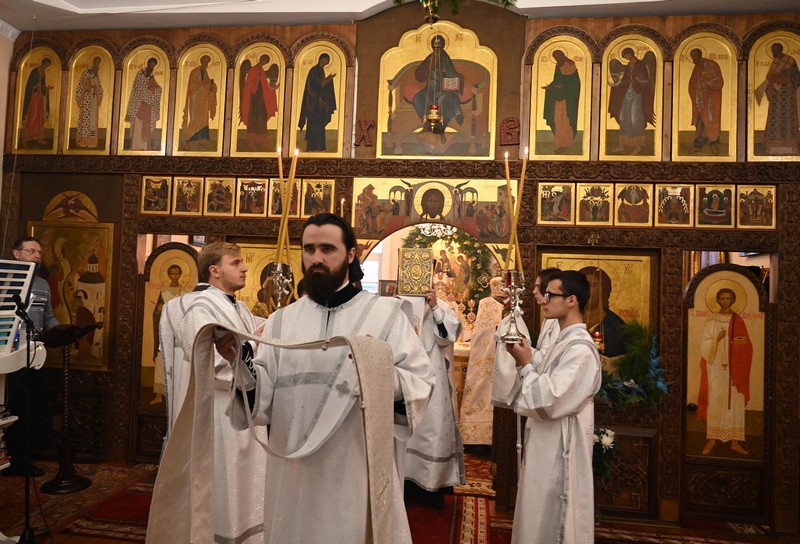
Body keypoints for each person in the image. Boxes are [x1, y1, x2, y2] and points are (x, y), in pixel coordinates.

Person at [225, 213, 434, 542]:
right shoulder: (282, 320)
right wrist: (241, 362)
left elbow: (418, 384)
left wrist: (373, 370)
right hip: (294, 475)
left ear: (350, 255)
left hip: (354, 469)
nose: (316, 258)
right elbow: (262, 400)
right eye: (309, 249)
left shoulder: (386, 316)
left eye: (327, 249)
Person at [150, 242, 268, 543]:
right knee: (223, 483)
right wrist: (254, 345)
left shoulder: (238, 306)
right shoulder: (199, 307)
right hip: (219, 414)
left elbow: (257, 335)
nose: (244, 268)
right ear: (214, 270)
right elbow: (212, 364)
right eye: (235, 262)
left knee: (244, 484)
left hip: (242, 408)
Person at [505, 270, 601, 544]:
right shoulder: (564, 341)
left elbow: (549, 399)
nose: (544, 301)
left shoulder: (581, 350)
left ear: (571, 300)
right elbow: (547, 371)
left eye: (551, 295)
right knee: (535, 511)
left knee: (551, 517)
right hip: (546, 445)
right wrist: (527, 355)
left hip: (560, 450)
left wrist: (526, 364)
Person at [4, 237, 60, 477]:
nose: (37, 255)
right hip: (8, 357)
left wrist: (61, 331)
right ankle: (8, 458)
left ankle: (22, 460)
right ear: (16, 254)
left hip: (34, 356)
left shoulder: (43, 284)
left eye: (39, 251)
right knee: (9, 408)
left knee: (29, 408)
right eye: (31, 251)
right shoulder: (6, 281)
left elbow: (49, 317)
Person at [404, 289, 464, 509]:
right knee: (405, 431)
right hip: (406, 377)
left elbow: (448, 337)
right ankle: (404, 484)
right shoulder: (398, 304)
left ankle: (432, 485)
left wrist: (435, 307)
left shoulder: (442, 307)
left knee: (432, 430)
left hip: (434, 380)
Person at [697, 287, 752, 456]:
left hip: (735, 368)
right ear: (718, 300)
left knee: (735, 400)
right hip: (715, 365)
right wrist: (717, 339)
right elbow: (703, 344)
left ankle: (735, 442)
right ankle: (712, 439)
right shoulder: (712, 319)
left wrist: (739, 344)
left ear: (733, 300)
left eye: (728, 298)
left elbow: (747, 345)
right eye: (722, 298)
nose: (725, 301)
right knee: (715, 398)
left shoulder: (738, 320)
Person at [460, 276, 505, 446]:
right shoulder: (486, 304)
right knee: (480, 386)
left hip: (501, 358)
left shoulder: (509, 307)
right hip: (484, 357)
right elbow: (480, 336)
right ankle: (476, 437)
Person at [150, 264, 190, 404]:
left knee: (178, 364)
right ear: (168, 275)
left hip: (178, 335)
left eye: (177, 273)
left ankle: (176, 397)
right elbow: (155, 314)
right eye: (172, 274)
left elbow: (188, 315)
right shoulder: (164, 292)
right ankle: (159, 395)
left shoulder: (185, 293)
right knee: (161, 362)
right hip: (165, 334)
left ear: (180, 274)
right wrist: (160, 311)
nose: (175, 276)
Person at [754, 42, 800, 155]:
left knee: (787, 119)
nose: (773, 53)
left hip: (787, 97)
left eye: (775, 50)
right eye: (772, 51)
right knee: (774, 119)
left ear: (780, 50)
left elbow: (797, 79)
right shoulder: (775, 62)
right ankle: (773, 148)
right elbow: (770, 77)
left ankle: (790, 148)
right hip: (775, 97)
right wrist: (769, 83)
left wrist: (783, 78)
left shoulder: (790, 61)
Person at [412, 34, 464, 134]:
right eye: (434, 46)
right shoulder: (430, 57)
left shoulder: (445, 58)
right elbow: (419, 75)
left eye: (438, 46)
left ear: (443, 46)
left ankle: (440, 127)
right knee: (417, 99)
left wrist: (455, 80)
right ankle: (426, 125)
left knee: (442, 101)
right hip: (430, 89)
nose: (436, 49)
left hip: (444, 91)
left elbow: (452, 74)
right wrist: (428, 67)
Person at [608, 47, 656, 155]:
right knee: (623, 117)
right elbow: (624, 80)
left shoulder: (641, 65)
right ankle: (622, 144)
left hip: (637, 94)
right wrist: (616, 84)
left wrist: (640, 81)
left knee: (635, 119)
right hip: (626, 94)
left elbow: (647, 82)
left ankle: (637, 146)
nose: (626, 58)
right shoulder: (628, 66)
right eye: (624, 57)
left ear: (630, 54)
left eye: (626, 55)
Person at [579, 266, 627, 359]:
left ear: (603, 290)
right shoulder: (569, 320)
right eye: (584, 285)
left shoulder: (616, 326)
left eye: (593, 285)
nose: (587, 290)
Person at [542, 50, 581, 153]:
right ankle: (560, 143)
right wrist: (551, 86)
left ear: (562, 55)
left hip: (567, 100)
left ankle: (565, 144)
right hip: (558, 98)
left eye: (558, 56)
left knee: (565, 121)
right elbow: (557, 81)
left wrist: (563, 86)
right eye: (555, 57)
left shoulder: (569, 64)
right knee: (557, 120)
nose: (557, 58)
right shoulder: (558, 65)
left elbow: (573, 81)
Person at [687, 48, 724, 156]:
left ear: (699, 55)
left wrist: (708, 83)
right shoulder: (697, 67)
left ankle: (713, 144)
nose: (693, 60)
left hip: (711, 100)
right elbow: (692, 83)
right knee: (700, 121)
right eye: (692, 58)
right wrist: (695, 94)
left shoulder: (712, 65)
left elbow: (719, 81)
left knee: (711, 121)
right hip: (700, 100)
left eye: (694, 57)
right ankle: (698, 146)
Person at [298, 53, 337, 152]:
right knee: (315, 124)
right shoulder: (315, 70)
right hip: (314, 103)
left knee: (319, 124)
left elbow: (321, 84)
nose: (326, 62)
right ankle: (312, 147)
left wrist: (328, 79)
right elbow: (320, 84)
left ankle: (319, 146)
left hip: (318, 103)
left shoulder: (320, 70)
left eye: (328, 61)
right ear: (321, 59)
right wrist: (329, 78)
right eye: (326, 60)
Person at [240, 54, 279, 151]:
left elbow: (265, 86)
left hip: (261, 100)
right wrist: (254, 89)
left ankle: (262, 141)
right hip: (253, 101)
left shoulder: (261, 71)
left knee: (262, 119)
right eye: (265, 61)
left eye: (266, 62)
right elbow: (249, 84)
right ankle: (251, 141)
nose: (265, 63)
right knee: (253, 120)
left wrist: (272, 88)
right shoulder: (253, 70)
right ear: (262, 60)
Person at [181, 54, 217, 151]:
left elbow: (207, 86)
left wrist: (211, 85)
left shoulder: (205, 73)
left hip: (203, 102)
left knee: (204, 119)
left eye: (208, 62)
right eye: (205, 62)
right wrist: (206, 86)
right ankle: (190, 139)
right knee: (194, 119)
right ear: (202, 62)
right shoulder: (195, 72)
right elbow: (193, 86)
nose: (206, 64)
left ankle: (203, 139)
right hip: (195, 100)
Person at [125, 57, 162, 151]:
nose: (152, 67)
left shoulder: (151, 76)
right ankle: (136, 146)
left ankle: (144, 146)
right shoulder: (140, 74)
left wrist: (157, 89)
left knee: (146, 125)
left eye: (154, 65)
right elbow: (138, 88)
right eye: (151, 64)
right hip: (139, 104)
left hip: (147, 107)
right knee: (138, 125)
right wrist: (148, 93)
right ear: (148, 64)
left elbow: (155, 87)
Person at [21, 57, 53, 147]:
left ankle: (39, 137)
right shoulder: (35, 72)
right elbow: (28, 86)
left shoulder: (43, 73)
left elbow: (42, 86)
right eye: (46, 65)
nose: (46, 67)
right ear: (43, 63)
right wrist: (35, 86)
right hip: (33, 98)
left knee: (39, 116)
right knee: (32, 115)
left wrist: (46, 88)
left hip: (40, 97)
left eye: (48, 66)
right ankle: (25, 138)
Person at [75, 56, 104, 148]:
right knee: (86, 120)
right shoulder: (87, 72)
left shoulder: (96, 74)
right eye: (96, 62)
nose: (97, 64)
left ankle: (92, 142)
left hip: (94, 100)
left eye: (99, 63)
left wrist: (99, 91)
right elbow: (83, 84)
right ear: (93, 62)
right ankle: (83, 141)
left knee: (93, 120)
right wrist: (90, 87)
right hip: (86, 99)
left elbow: (99, 86)